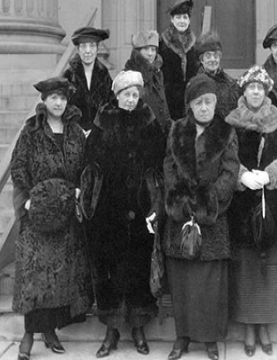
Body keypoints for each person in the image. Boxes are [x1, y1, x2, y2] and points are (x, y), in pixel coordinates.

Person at [84, 70, 167, 358]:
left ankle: (138, 328)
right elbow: (90, 162)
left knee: (139, 268)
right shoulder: (103, 122)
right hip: (109, 210)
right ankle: (111, 330)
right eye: (126, 94)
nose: (131, 99)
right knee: (110, 270)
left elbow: (159, 162)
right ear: (117, 96)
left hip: (142, 207)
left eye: (135, 94)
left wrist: (154, 199)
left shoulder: (149, 122)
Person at [10, 77, 93, 360]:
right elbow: (18, 166)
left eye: (63, 98)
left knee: (59, 277)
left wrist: (80, 189)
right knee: (35, 277)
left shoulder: (75, 132)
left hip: (67, 212)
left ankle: (50, 330)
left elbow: (85, 165)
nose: (59, 103)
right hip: (39, 215)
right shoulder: (31, 131)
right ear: (44, 101)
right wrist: (30, 200)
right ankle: (28, 335)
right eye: (54, 98)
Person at [163, 74, 240, 360]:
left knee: (209, 284)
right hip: (181, 217)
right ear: (190, 106)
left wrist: (208, 201)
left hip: (212, 217)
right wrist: (182, 202)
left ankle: (209, 339)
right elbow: (168, 168)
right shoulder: (176, 130)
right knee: (182, 281)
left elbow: (231, 172)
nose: (204, 107)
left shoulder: (226, 132)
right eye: (199, 102)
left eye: (209, 102)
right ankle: (182, 337)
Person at [225, 65, 277, 357]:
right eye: (250, 87)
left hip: (270, 204)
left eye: (260, 88)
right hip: (240, 205)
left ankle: (264, 324)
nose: (255, 92)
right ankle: (249, 327)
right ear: (244, 91)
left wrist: (272, 174)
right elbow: (225, 158)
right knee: (245, 267)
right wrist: (240, 175)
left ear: (266, 93)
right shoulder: (232, 123)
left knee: (268, 267)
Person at [63, 26, 112, 135]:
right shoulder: (69, 76)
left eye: (92, 46)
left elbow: (110, 105)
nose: (88, 51)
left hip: (99, 135)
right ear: (78, 50)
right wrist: (77, 129)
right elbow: (64, 106)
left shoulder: (104, 74)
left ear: (97, 49)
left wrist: (97, 129)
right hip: (75, 135)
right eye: (83, 46)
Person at [125, 30, 172, 134]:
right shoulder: (128, 75)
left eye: (153, 49)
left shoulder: (157, 73)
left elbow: (163, 105)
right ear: (138, 51)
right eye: (146, 49)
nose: (150, 53)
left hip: (161, 134)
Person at [159, 0, 199, 120]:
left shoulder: (194, 43)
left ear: (189, 20)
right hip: (169, 98)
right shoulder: (162, 42)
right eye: (178, 17)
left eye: (185, 17)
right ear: (172, 19)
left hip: (190, 97)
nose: (182, 21)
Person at [195, 31, 241, 119]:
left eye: (216, 56)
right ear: (201, 60)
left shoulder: (230, 83)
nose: (212, 60)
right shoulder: (195, 86)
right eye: (208, 56)